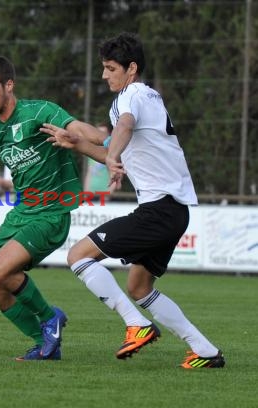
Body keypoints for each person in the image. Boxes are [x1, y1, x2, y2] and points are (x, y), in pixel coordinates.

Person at [43, 32, 224, 368]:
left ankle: (137, 325)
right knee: (139, 286)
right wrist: (77, 144)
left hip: (159, 210)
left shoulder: (129, 97)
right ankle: (206, 351)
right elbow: (113, 142)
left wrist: (112, 156)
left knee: (78, 255)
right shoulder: (148, 97)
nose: (104, 75)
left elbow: (123, 127)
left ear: (131, 69)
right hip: (174, 211)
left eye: (111, 68)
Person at [0, 55, 107, 361]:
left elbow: (84, 130)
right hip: (21, 212)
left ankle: (50, 317)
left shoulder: (39, 111)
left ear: (9, 85)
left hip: (52, 211)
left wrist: (95, 137)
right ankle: (45, 345)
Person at [83, 123, 113, 201]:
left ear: (109, 134)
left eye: (103, 133)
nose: (99, 135)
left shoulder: (113, 153)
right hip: (90, 194)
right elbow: (89, 173)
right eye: (97, 132)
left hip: (104, 195)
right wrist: (86, 192)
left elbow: (116, 176)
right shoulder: (91, 150)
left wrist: (108, 194)